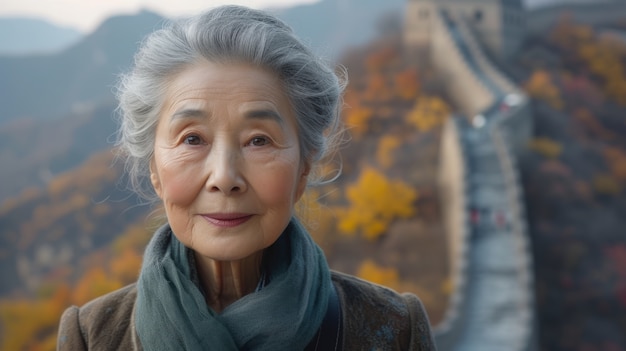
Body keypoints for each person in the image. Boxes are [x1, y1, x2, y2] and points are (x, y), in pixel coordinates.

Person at [57, 5, 436, 350]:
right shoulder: (92, 336)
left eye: (258, 140)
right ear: (155, 169)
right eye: (192, 139)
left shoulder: (392, 329)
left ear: (303, 168)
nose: (224, 177)